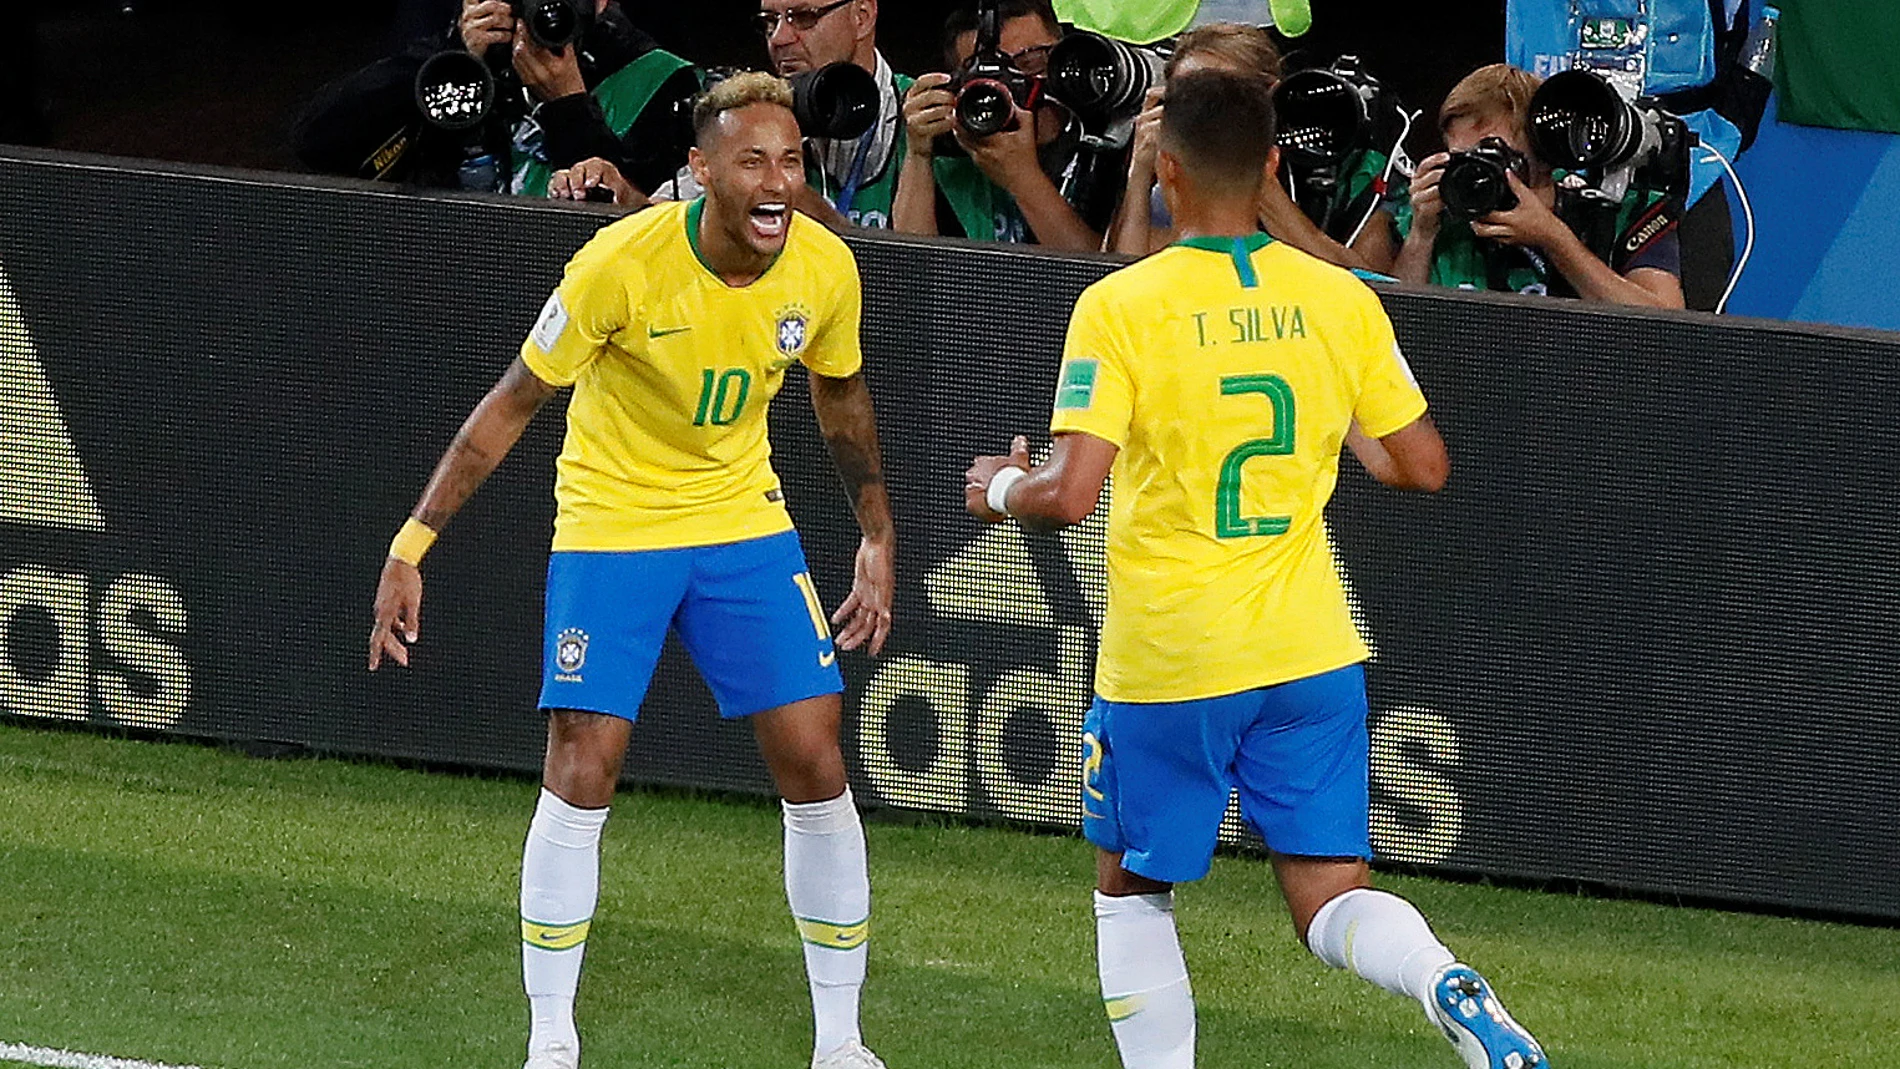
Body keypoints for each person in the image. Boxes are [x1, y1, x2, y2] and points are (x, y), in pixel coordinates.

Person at [962, 69, 1550, 1069]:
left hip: (1173, 652)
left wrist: (1000, 489)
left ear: (1167, 174)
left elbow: (1067, 496)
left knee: (1131, 886)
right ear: (1272, 165)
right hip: (1309, 646)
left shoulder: (1122, 305)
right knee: (1329, 892)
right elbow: (1420, 465)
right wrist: (1336, 434)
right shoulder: (1339, 299)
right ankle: (1437, 977)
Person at [368, 72, 897, 1069]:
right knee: (584, 760)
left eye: (789, 159)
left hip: (742, 520)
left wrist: (875, 535)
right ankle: (552, 1040)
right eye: (752, 160)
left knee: (816, 759)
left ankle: (841, 1039)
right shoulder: (619, 263)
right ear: (700, 174)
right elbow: (514, 401)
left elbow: (841, 401)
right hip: (613, 523)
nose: (777, 180)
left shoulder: (824, 270)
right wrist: (412, 544)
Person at [294, 0, 697, 199]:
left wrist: (568, 108)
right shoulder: (464, 59)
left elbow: (650, 242)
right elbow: (318, 146)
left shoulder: (664, 82)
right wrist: (453, 57)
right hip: (455, 293)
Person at [1110, 23, 1401, 274]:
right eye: (1191, 94)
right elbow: (1122, 281)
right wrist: (1140, 170)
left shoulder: (1335, 166)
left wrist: (1250, 172)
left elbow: (1363, 289)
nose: (1206, 112)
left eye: (1226, 95)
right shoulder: (1169, 170)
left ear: (1270, 95)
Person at [1394, 63, 1685, 309]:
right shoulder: (1438, 216)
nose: (1478, 172)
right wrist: (1421, 235)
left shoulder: (1618, 214)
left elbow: (1668, 328)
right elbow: (1391, 331)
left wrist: (1555, 239)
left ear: (1543, 155)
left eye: (1491, 153)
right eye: (1463, 158)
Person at [892, 0, 1117, 251]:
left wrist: (1022, 179)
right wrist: (918, 154)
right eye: (987, 77)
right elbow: (912, 269)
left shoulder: (1109, 145)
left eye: (1029, 62)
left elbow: (1105, 275)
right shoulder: (953, 156)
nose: (1009, 87)